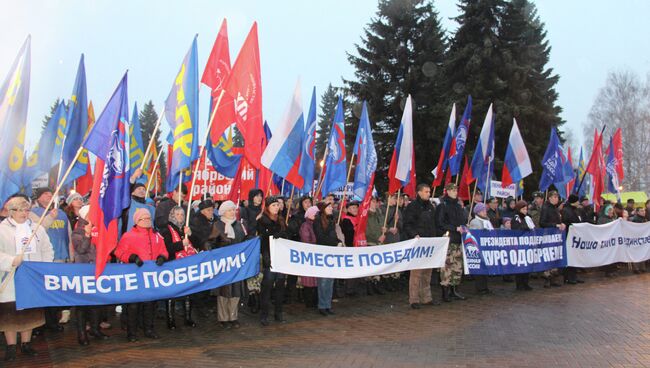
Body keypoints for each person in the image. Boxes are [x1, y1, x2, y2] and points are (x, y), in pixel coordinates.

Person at [0, 197, 54, 361]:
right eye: (19, 210)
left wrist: (43, 268)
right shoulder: (2, 230)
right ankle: (10, 346)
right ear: (11, 211)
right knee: (11, 312)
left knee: (29, 312)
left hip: (32, 277)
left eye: (26, 210)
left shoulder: (37, 229)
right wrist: (10, 261)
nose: (24, 213)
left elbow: (47, 249)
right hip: (10, 276)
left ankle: (26, 343)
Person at [114, 208, 168, 342]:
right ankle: (132, 332)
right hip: (135, 275)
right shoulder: (129, 235)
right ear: (137, 221)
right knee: (133, 305)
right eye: (144, 218)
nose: (147, 221)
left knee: (150, 303)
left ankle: (148, 329)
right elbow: (119, 252)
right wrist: (131, 257)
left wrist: (162, 257)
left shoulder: (157, 235)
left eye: (149, 218)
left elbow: (164, 250)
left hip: (151, 276)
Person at [31, 187, 73, 328]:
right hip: (45, 258)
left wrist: (70, 254)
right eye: (46, 194)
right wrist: (50, 217)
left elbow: (69, 234)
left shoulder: (62, 213)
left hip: (61, 256)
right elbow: (38, 231)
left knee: (58, 289)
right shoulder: (33, 213)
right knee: (46, 290)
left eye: (51, 194)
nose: (49, 196)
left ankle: (56, 316)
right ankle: (46, 321)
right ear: (38, 198)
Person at [72, 205, 109, 345]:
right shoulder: (77, 232)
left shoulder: (99, 228)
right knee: (82, 304)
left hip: (97, 269)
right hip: (83, 270)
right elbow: (81, 249)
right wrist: (87, 235)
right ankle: (81, 334)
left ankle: (95, 329)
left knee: (96, 302)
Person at [159, 206, 197, 330]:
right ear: (172, 216)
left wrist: (191, 235)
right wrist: (181, 244)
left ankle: (188, 317)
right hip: (172, 264)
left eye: (182, 214)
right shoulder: (166, 229)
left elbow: (196, 245)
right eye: (178, 214)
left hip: (187, 265)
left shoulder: (185, 229)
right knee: (172, 293)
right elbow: (166, 247)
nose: (180, 216)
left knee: (188, 292)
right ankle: (170, 319)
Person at [214, 201, 248, 329]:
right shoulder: (218, 225)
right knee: (224, 291)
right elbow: (211, 242)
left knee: (236, 290)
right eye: (229, 210)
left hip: (237, 262)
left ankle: (233, 316)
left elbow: (245, 240)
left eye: (234, 210)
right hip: (223, 263)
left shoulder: (240, 225)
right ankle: (223, 318)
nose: (232, 212)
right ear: (223, 212)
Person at [403, 184, 437, 309]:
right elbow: (407, 224)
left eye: (429, 191)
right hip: (418, 243)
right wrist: (414, 235)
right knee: (416, 273)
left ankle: (426, 297)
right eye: (426, 191)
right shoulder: (412, 207)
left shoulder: (431, 207)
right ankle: (414, 299)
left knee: (427, 272)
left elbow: (434, 224)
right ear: (419, 192)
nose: (429, 193)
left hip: (429, 243)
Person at [257, 196, 289, 326]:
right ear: (268, 207)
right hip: (269, 257)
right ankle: (264, 314)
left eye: (277, 205)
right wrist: (266, 257)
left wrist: (283, 234)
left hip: (280, 257)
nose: (276, 207)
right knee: (267, 287)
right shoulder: (262, 221)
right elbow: (263, 240)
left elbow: (287, 235)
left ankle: (278, 313)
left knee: (280, 286)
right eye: (273, 205)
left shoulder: (281, 220)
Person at [436, 183, 468, 302]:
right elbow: (440, 223)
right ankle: (445, 292)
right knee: (447, 267)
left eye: (456, 190)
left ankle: (454, 290)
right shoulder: (443, 205)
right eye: (453, 190)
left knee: (457, 267)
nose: (455, 192)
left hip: (458, 240)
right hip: (448, 240)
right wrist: (454, 228)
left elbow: (462, 220)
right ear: (447, 191)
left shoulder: (458, 206)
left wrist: (464, 225)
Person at [313, 202, 340, 315]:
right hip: (323, 252)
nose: (331, 208)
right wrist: (334, 243)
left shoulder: (331, 220)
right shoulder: (318, 221)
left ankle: (328, 304)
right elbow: (320, 237)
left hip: (331, 252)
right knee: (323, 281)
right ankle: (322, 306)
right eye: (328, 207)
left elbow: (333, 234)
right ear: (323, 209)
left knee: (330, 280)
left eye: (331, 207)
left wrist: (338, 242)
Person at [539, 191, 566, 287]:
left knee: (554, 257)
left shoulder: (555, 208)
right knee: (548, 257)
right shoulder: (546, 208)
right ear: (549, 198)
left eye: (557, 197)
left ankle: (553, 278)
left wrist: (561, 224)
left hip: (556, 236)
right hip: (548, 236)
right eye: (554, 197)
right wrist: (555, 225)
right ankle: (547, 279)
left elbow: (558, 220)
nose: (556, 199)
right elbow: (542, 223)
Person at [468, 203, 493, 294]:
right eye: (483, 210)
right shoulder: (475, 221)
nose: (485, 212)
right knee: (480, 268)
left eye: (485, 210)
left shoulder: (487, 221)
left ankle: (485, 287)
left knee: (485, 268)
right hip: (479, 247)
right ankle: (480, 288)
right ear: (478, 212)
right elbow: (475, 235)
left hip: (486, 247)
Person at [298, 206, 320, 311]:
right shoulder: (305, 226)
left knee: (316, 280)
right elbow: (305, 240)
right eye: (314, 214)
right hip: (309, 255)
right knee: (309, 280)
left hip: (317, 255)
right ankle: (309, 301)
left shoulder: (318, 225)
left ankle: (315, 300)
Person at [511, 200, 534, 291]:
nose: (525, 211)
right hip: (519, 245)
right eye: (523, 209)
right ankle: (519, 284)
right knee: (520, 264)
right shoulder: (516, 218)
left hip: (527, 244)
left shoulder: (527, 218)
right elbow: (516, 230)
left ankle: (526, 283)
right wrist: (526, 229)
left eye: (526, 209)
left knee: (527, 264)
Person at [562, 195, 585, 284]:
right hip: (569, 236)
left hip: (576, 237)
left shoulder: (577, 210)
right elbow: (566, 221)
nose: (578, 203)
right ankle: (568, 277)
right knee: (570, 257)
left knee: (575, 257)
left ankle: (574, 275)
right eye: (577, 201)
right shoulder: (566, 210)